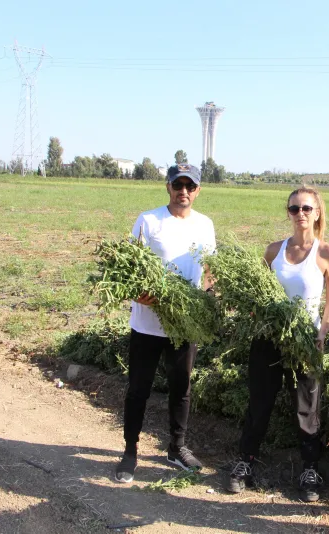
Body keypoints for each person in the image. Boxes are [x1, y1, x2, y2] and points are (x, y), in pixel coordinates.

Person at [227, 186, 329, 502]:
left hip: (306, 341)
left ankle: (310, 470)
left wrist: (323, 332)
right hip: (269, 339)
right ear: (288, 212)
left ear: (317, 212)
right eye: (294, 208)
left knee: (307, 408)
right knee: (259, 403)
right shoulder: (273, 251)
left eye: (306, 208)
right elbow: (259, 294)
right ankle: (245, 462)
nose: (300, 214)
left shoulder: (326, 253)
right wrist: (252, 310)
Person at [114, 163, 216, 483]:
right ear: (168, 187)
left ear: (197, 190)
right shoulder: (148, 220)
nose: (183, 191)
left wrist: (209, 298)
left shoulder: (205, 225)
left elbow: (210, 269)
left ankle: (177, 448)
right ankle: (130, 452)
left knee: (181, 388)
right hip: (147, 323)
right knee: (139, 389)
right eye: (178, 185)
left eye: (190, 186)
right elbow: (129, 268)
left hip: (185, 324)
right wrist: (139, 294)